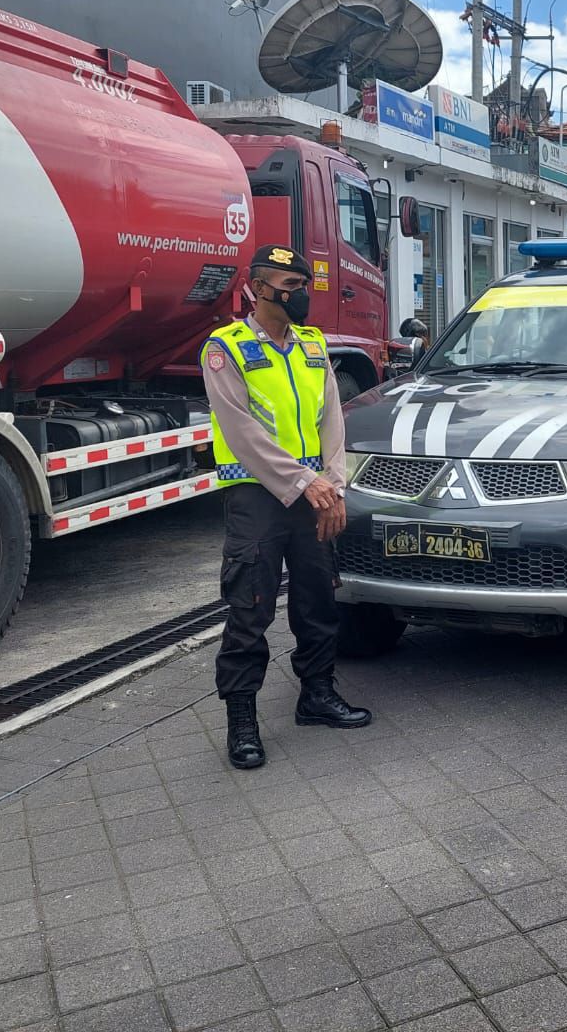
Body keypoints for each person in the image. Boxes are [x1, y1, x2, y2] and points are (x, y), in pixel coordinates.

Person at [201, 244, 370, 770]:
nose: (300, 295)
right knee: (250, 607)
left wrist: (333, 486)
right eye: (290, 286)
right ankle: (242, 721)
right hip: (257, 495)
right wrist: (304, 482)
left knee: (318, 599)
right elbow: (240, 431)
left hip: (315, 495)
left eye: (303, 285)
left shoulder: (313, 346)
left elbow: (332, 421)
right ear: (258, 288)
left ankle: (317, 695)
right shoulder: (225, 348)